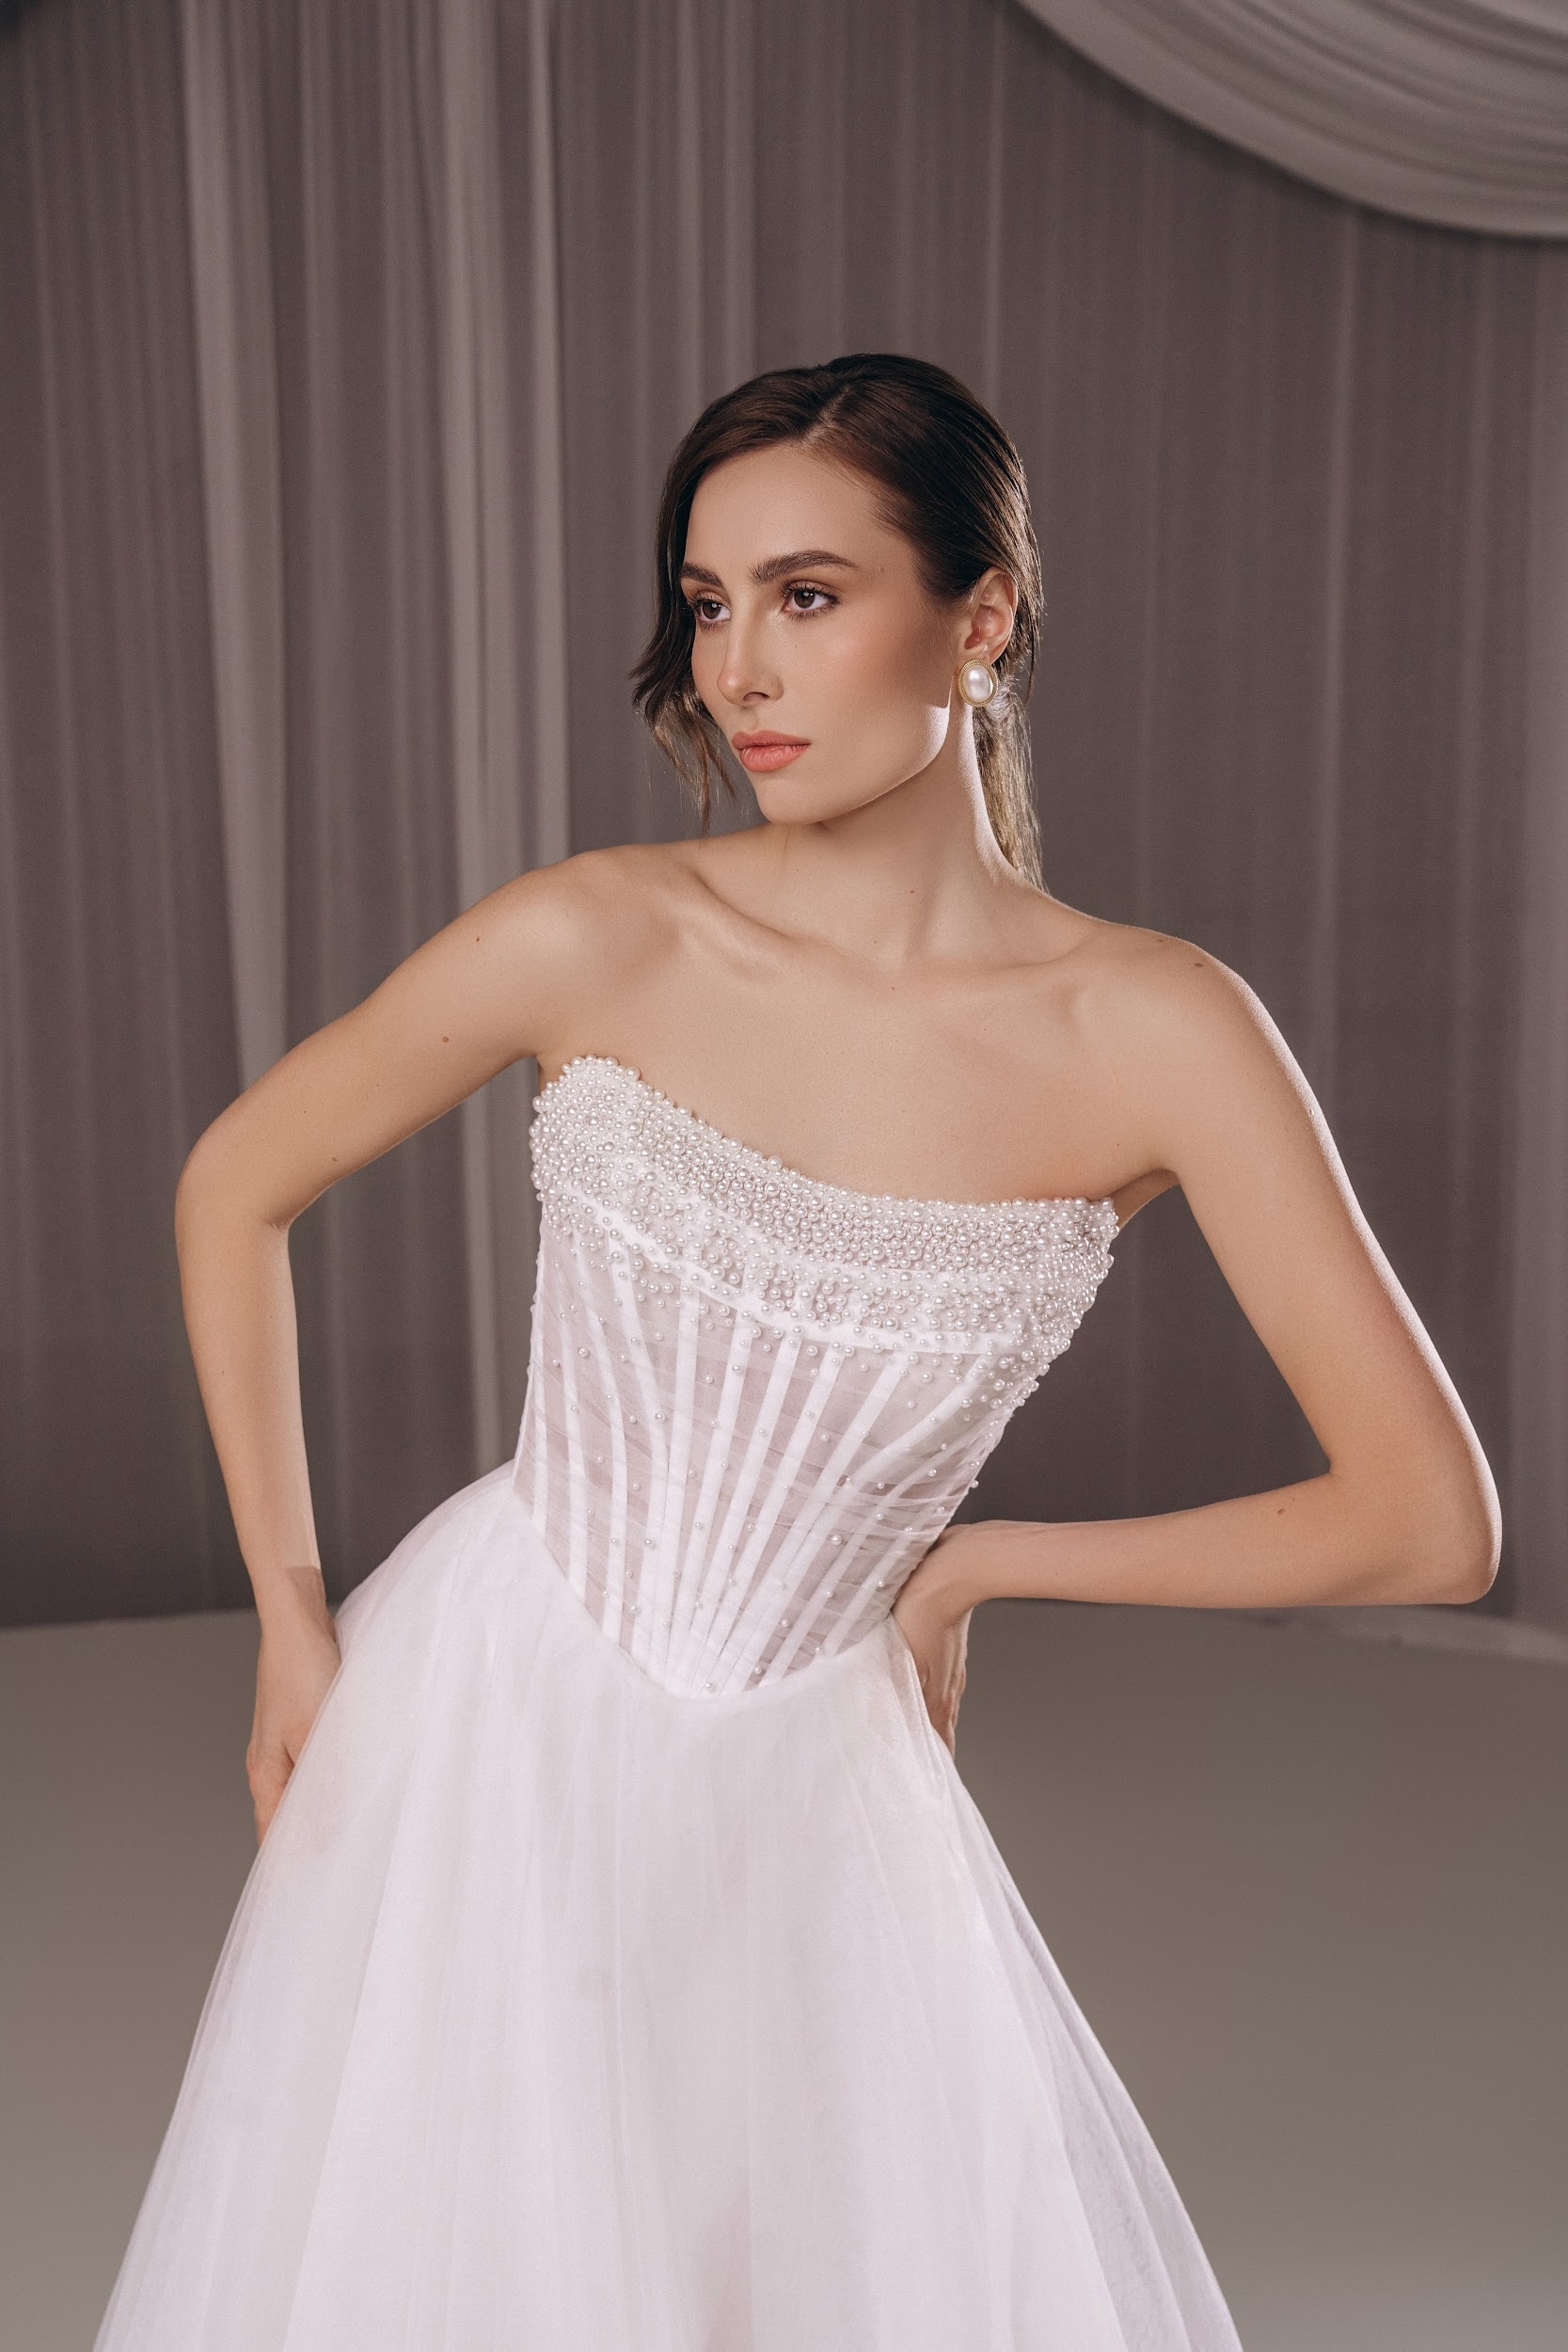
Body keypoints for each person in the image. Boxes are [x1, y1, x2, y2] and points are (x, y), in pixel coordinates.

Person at [94, 354, 1498, 2352]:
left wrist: (981, 1562)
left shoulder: (1157, 1029)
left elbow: (1430, 1522)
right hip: (484, 1718)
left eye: (809, 595)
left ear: (983, 616)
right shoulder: (604, 933)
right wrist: (291, 1616)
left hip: (814, 1776)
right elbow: (234, 1185)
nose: (740, 668)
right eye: (708, 602)